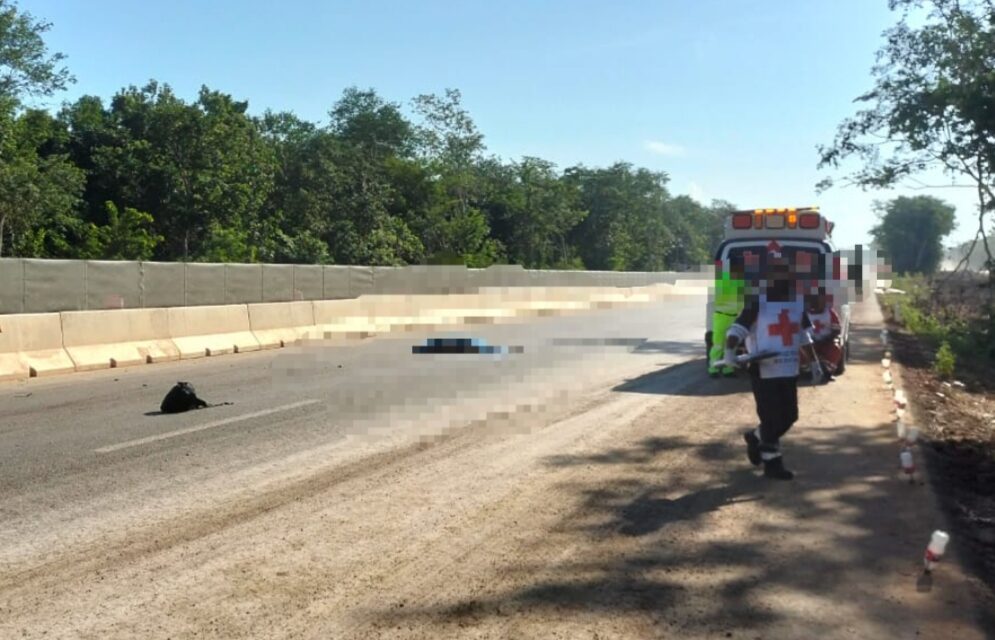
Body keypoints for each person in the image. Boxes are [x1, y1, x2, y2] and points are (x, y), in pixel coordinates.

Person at [722, 253, 812, 480]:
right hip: (764, 370)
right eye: (777, 272)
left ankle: (755, 437)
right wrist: (730, 352)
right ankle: (773, 465)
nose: (783, 276)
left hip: (789, 369)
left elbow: (802, 336)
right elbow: (737, 330)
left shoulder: (796, 301)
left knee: (790, 416)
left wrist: (815, 363)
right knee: (772, 419)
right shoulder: (756, 302)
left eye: (786, 271)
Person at [708, 258, 745, 377]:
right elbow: (718, 267)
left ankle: (728, 369)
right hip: (721, 317)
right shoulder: (723, 282)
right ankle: (713, 368)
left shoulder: (740, 284)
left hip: (733, 318)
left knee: (730, 344)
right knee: (718, 344)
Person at [800, 284, 842, 379]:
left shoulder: (830, 313)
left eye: (821, 299)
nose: (818, 302)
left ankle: (827, 370)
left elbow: (836, 330)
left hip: (826, 342)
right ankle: (805, 369)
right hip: (808, 344)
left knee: (835, 348)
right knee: (799, 351)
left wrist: (828, 339)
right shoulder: (803, 313)